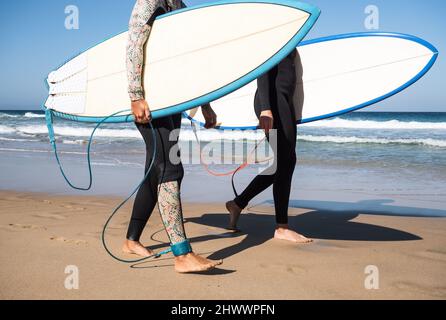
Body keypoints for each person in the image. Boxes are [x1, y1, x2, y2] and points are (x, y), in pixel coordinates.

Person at [124, 0, 222, 273]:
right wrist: (136, 96)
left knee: (154, 171)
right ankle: (182, 255)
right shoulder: (149, 1)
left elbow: (189, 59)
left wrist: (206, 104)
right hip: (149, 101)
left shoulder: (179, 5)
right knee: (170, 167)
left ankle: (131, 240)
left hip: (171, 100)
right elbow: (134, 44)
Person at [225, 50, 313, 244]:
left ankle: (237, 204)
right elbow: (263, 69)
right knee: (285, 162)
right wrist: (266, 108)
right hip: (273, 104)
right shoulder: (280, 31)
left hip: (283, 104)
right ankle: (281, 227)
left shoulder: (291, 36)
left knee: (284, 163)